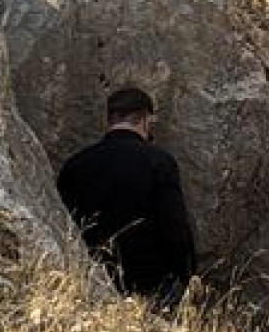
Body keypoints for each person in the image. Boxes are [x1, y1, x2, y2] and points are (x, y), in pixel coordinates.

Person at [56, 86, 197, 310]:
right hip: (151, 284)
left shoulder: (75, 165)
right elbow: (175, 229)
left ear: (110, 119)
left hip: (92, 281)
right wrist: (185, 276)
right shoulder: (158, 162)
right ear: (145, 119)